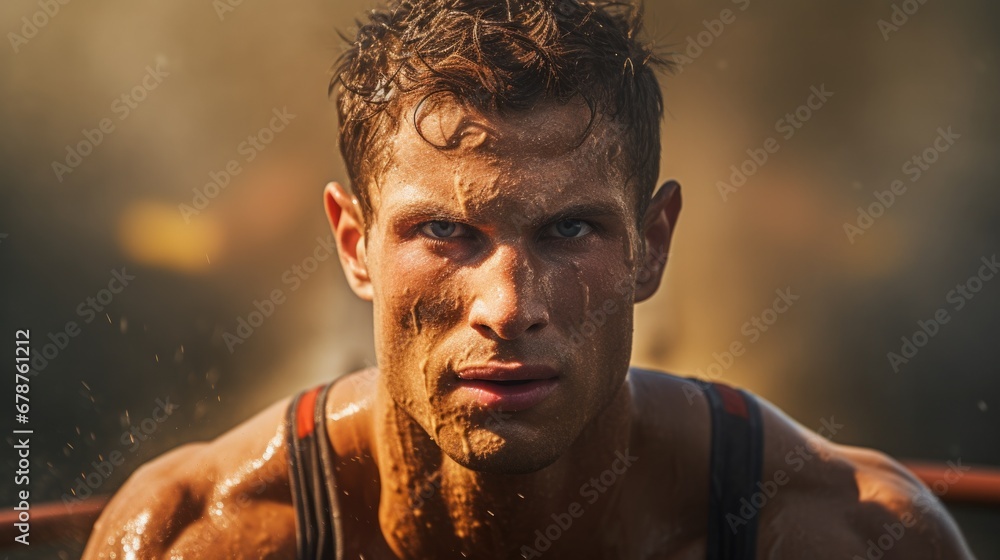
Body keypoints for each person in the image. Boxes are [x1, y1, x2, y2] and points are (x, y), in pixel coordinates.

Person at [83, 1, 975, 558]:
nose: (508, 309)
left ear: (652, 245)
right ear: (354, 245)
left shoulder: (850, 536)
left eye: (572, 229)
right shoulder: (194, 537)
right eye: (444, 231)